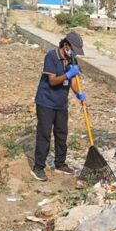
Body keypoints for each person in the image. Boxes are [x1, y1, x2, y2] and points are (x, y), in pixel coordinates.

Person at [30, 31, 86, 181]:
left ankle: (60, 163)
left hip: (61, 103)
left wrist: (79, 94)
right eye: (73, 50)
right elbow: (53, 81)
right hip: (46, 102)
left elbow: (74, 81)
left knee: (62, 134)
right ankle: (38, 167)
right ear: (65, 45)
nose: (74, 54)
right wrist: (67, 75)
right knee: (44, 134)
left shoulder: (72, 60)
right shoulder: (51, 56)